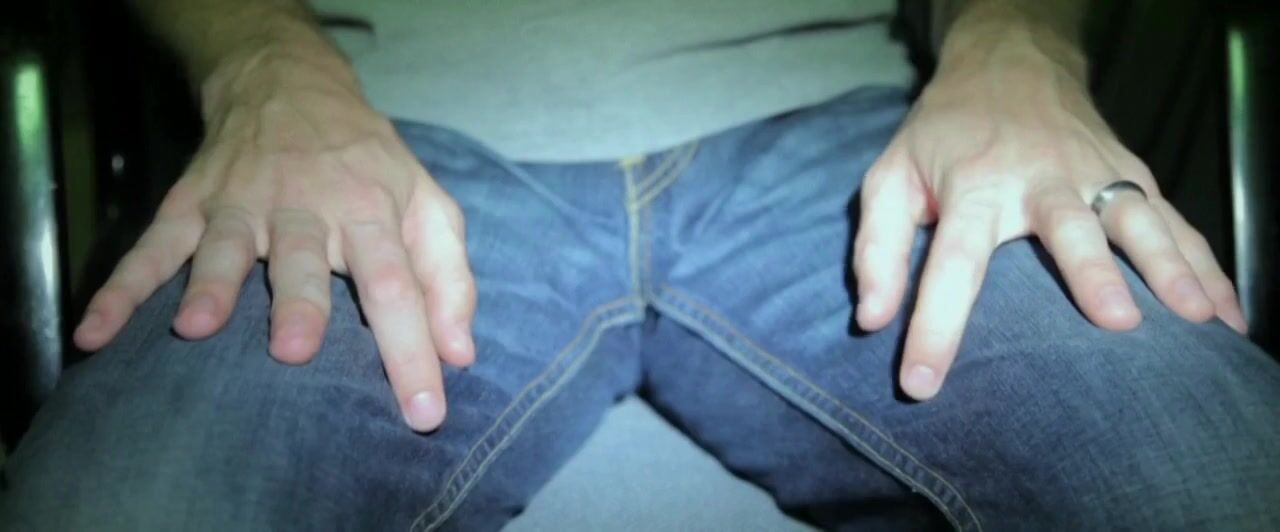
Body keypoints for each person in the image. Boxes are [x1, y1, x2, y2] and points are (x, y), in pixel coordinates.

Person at [3, 0, 1278, 530]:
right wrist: (261, 66)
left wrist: (1015, 43)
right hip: (375, 159)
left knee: (1208, 481)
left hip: (859, 160)